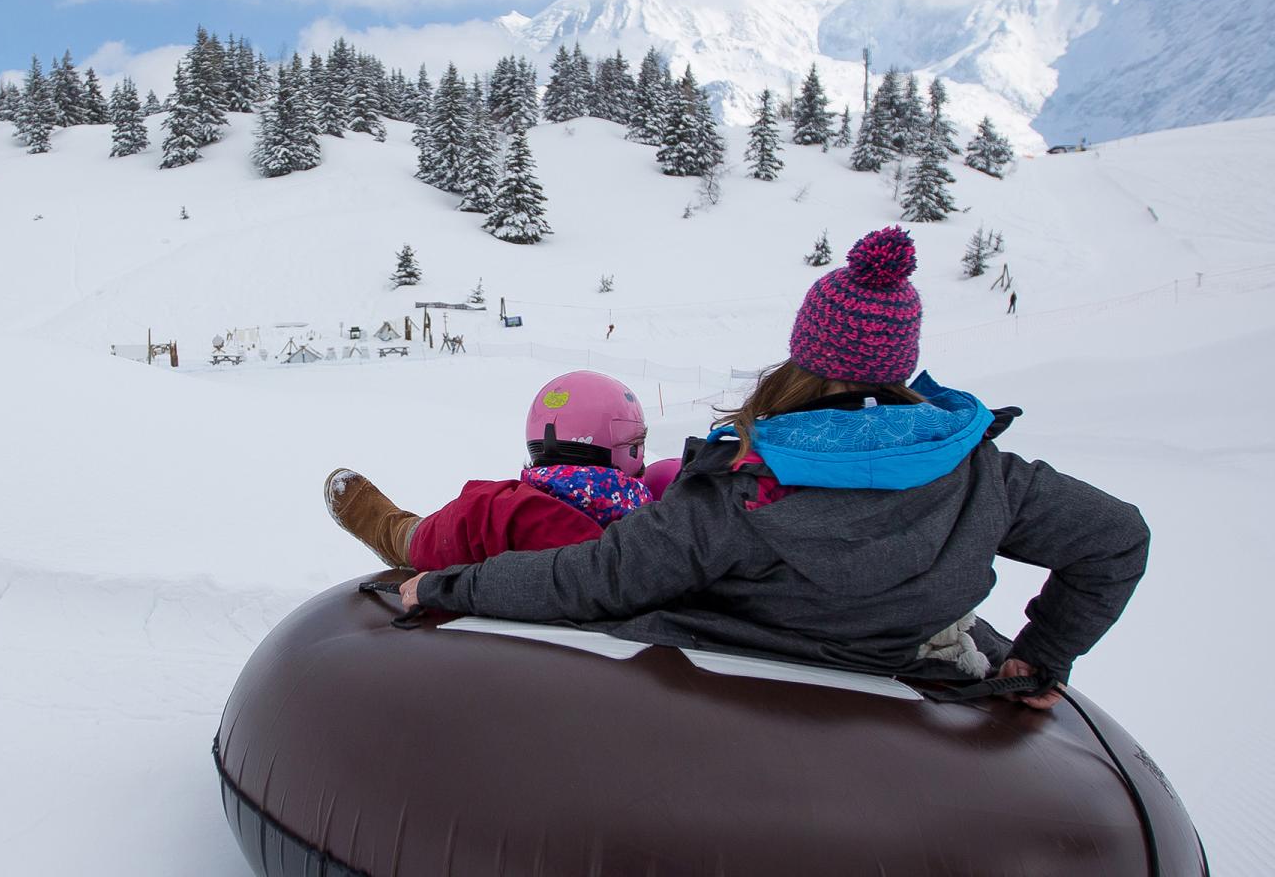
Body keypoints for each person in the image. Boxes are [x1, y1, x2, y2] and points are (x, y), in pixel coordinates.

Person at [368, 227, 1148, 708]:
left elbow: (596, 580)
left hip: (725, 695)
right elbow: (1116, 538)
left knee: (512, 522)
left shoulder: (738, 491)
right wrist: (1041, 658)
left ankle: (413, 541)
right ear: (902, 366)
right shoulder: (988, 476)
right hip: (910, 669)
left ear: (804, 354)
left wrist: (451, 588)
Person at [326, 371, 680, 573]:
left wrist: (411, 538)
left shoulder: (509, 511)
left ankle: (398, 532)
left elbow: (452, 533)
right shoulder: (661, 519)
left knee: (454, 525)